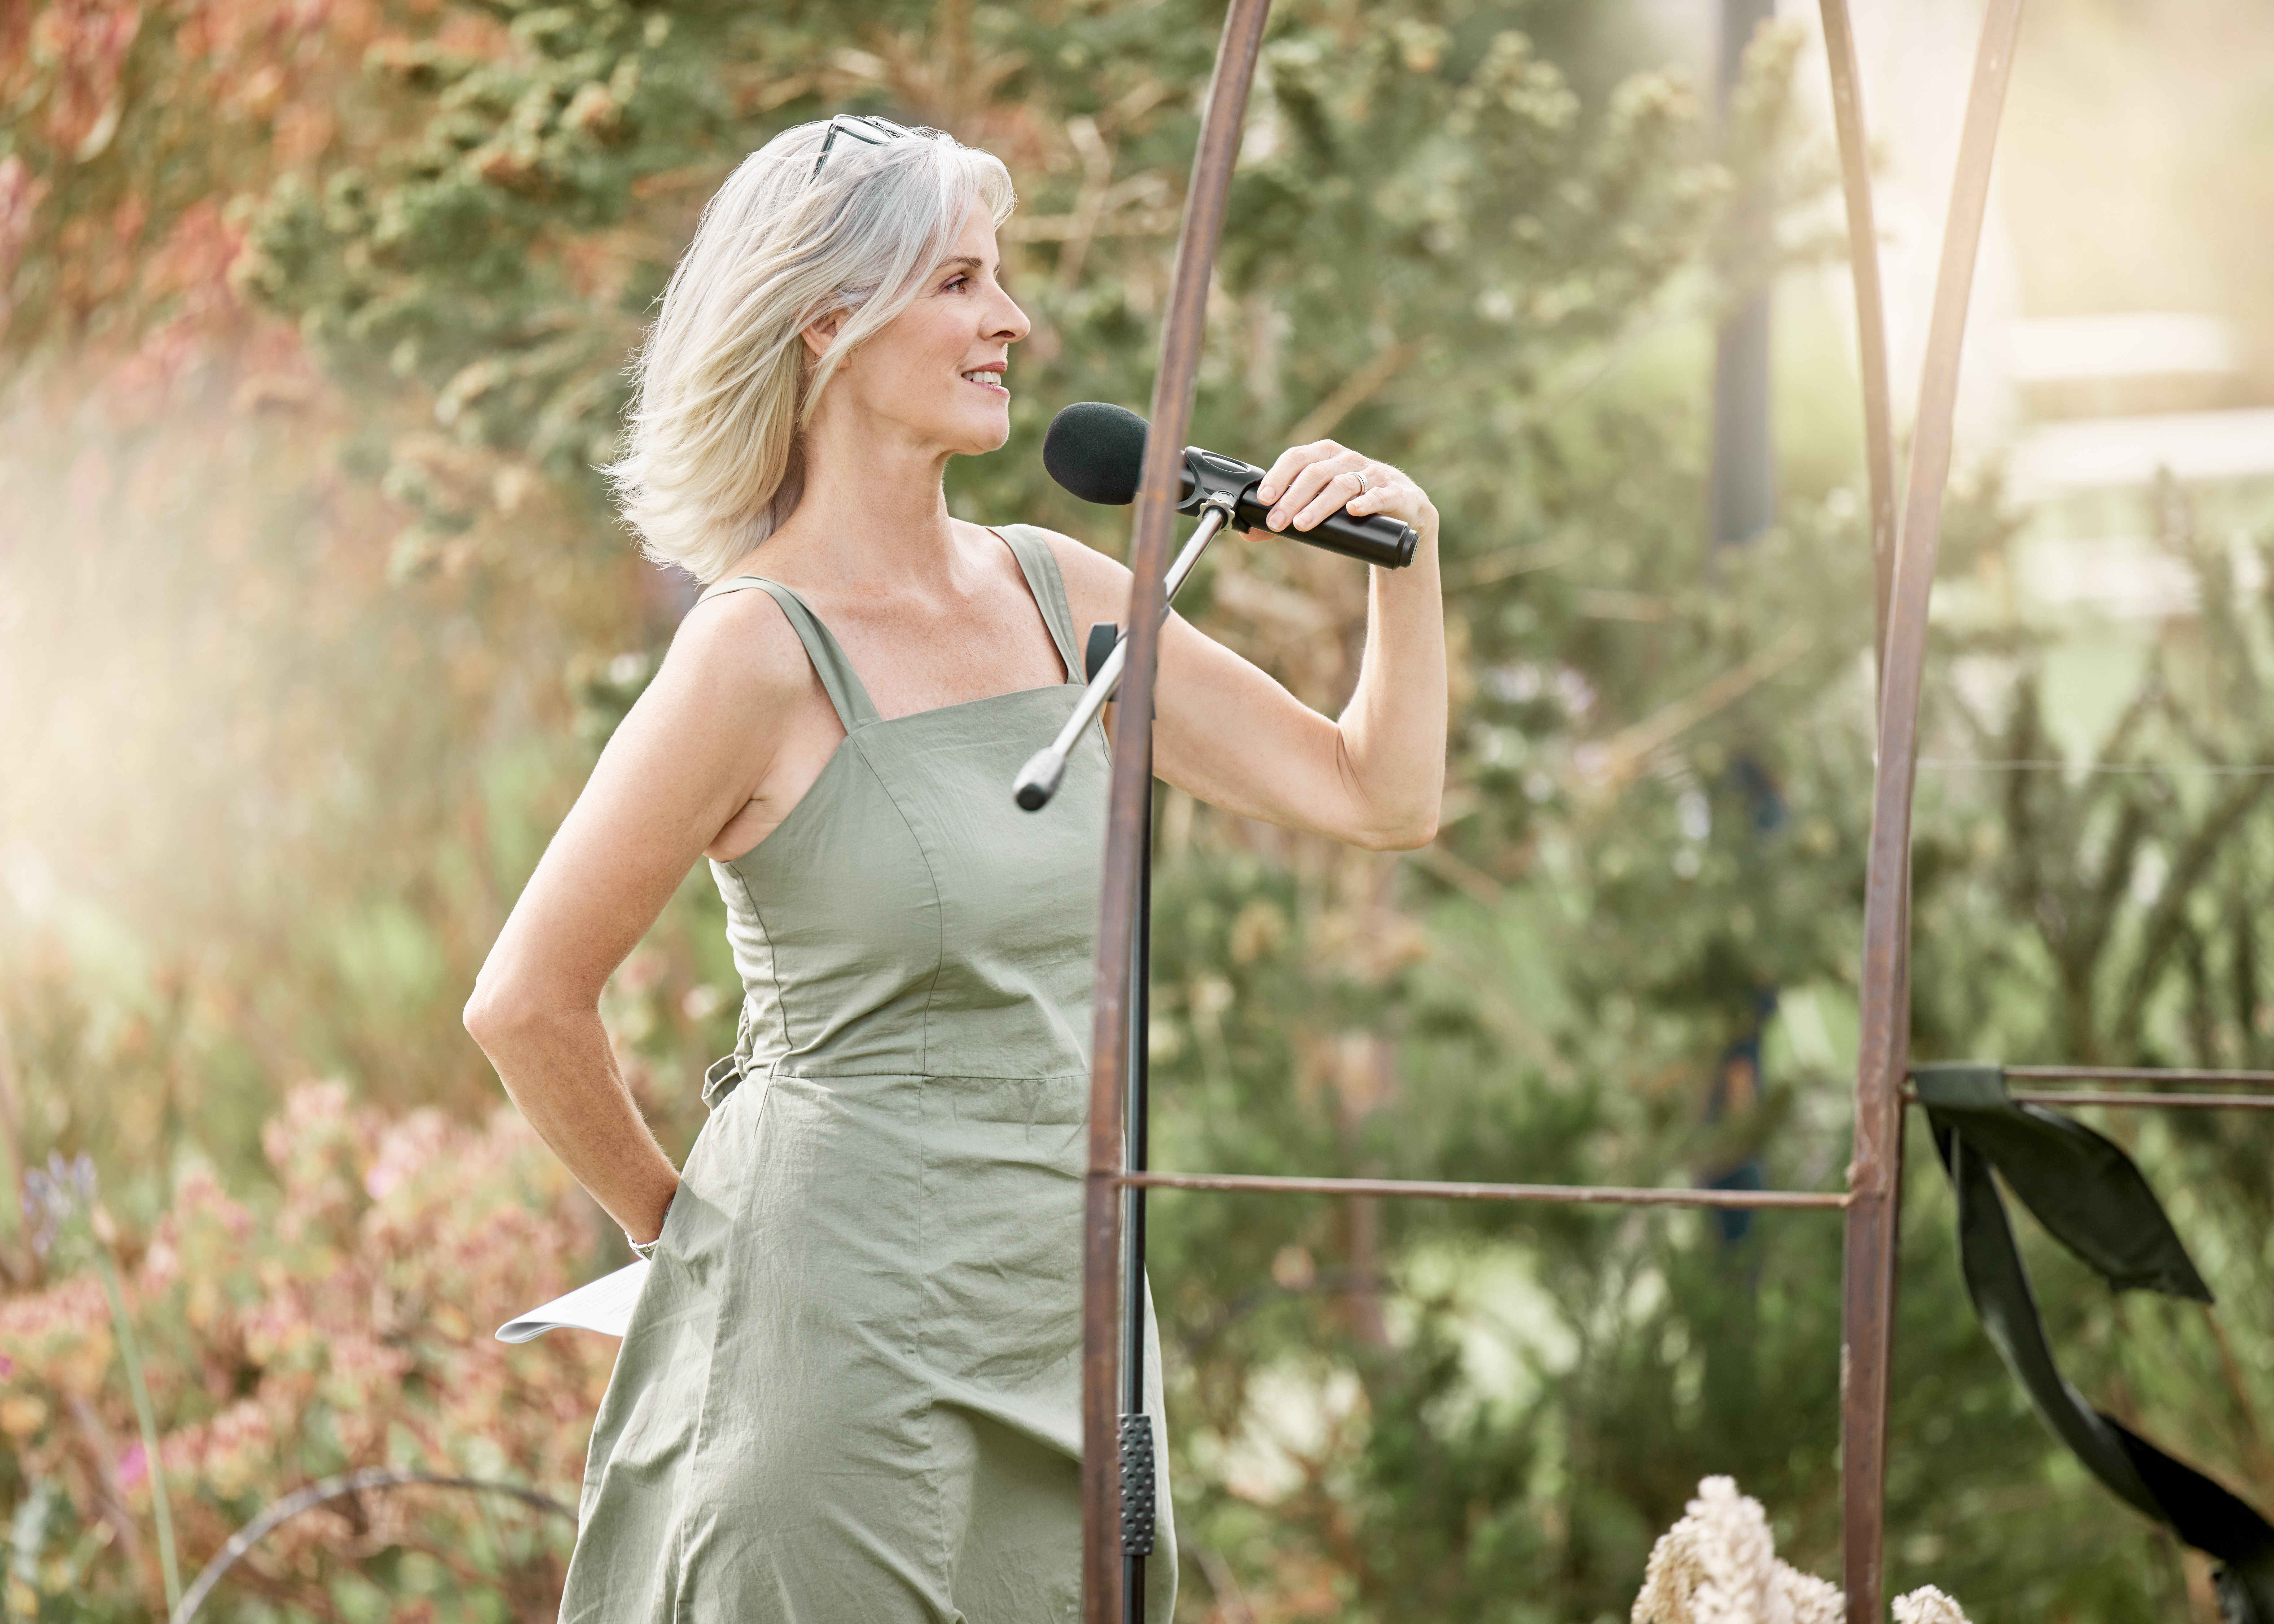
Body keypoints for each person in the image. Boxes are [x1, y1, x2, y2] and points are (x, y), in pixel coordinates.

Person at [462, 113, 1446, 1624]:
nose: (1013, 320)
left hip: (1070, 1314)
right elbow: (526, 1001)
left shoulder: (1063, 595)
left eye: (1003, 278)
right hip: (835, 1351)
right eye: (963, 281)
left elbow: (1373, 794)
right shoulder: (752, 650)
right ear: (831, 322)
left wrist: (1410, 562)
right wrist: (696, 1243)